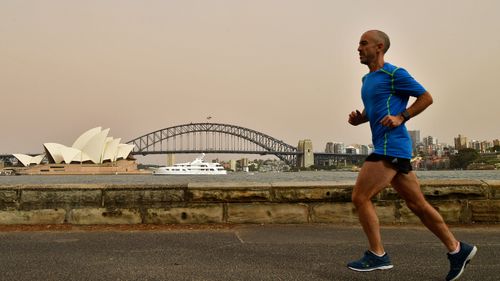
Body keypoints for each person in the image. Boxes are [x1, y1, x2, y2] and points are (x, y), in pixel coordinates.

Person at [347, 30, 477, 281]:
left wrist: (401, 117)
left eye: (363, 44)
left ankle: (378, 254)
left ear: (379, 47)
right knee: (418, 205)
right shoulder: (367, 80)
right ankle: (457, 249)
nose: (358, 48)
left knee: (360, 197)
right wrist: (360, 119)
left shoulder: (395, 74)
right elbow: (374, 108)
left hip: (390, 146)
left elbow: (426, 97)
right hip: (392, 147)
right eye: (359, 44)